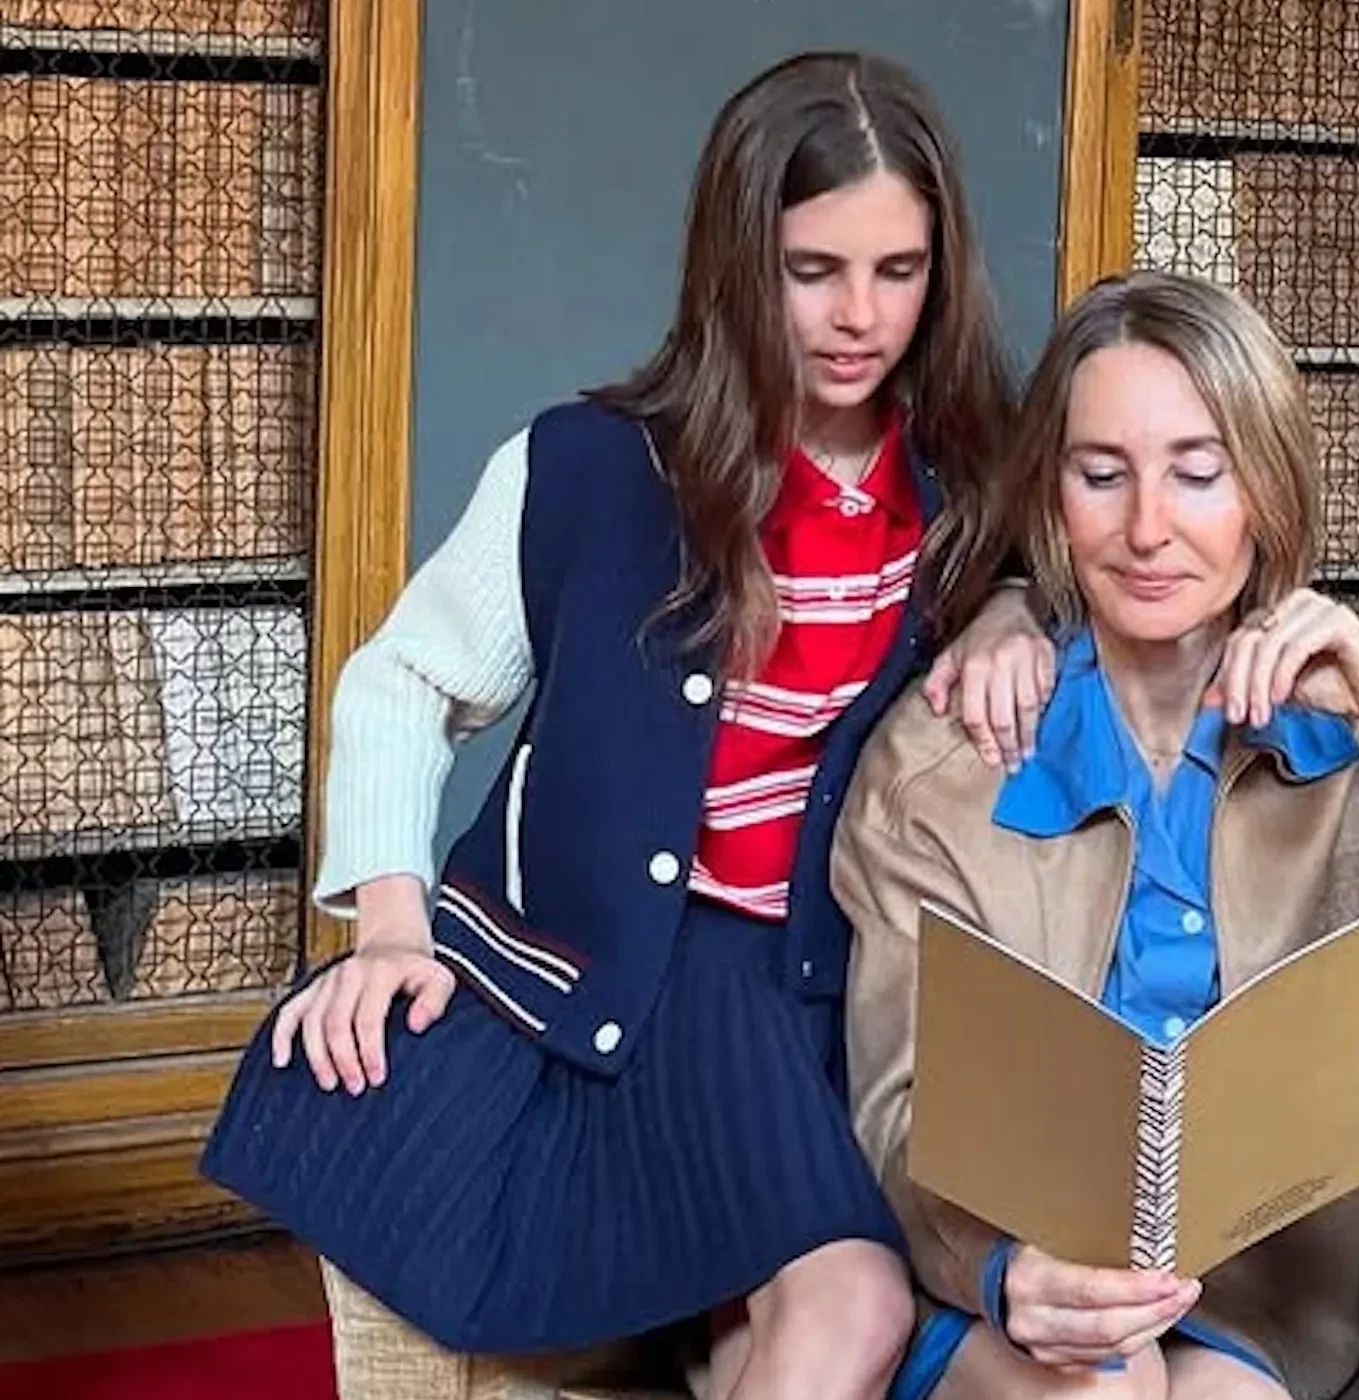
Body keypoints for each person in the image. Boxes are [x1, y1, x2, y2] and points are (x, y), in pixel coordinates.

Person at [201, 51, 1054, 1400]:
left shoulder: (970, 484)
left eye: (898, 271)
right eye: (813, 269)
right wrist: (390, 925)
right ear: (738, 263)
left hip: (853, 986)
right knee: (852, 1302)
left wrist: (1012, 604)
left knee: (765, 1340)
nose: (859, 316)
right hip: (667, 982)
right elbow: (402, 682)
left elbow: (1115, 582)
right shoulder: (589, 466)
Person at [832, 270, 1359, 1400]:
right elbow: (900, 1100)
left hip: (1256, 1299)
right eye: (1101, 474)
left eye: (1198, 471)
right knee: (1101, 1389)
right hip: (1003, 1285)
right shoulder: (945, 761)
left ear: (1265, 490)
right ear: (1052, 495)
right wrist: (1002, 1268)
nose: (1147, 529)